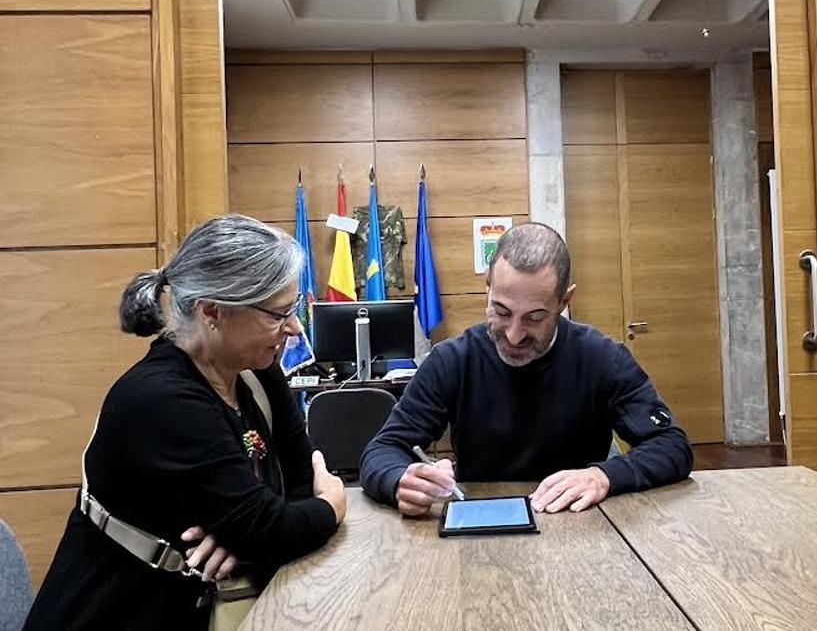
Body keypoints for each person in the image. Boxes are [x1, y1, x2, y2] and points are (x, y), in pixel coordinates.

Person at [26, 215, 347, 630]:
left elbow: (295, 484)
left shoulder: (257, 368)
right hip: (117, 616)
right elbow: (272, 524)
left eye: (294, 308)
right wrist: (331, 506)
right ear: (213, 311)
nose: (293, 327)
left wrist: (248, 534)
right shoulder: (160, 399)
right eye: (277, 313)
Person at [360, 222, 692, 515]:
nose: (514, 335)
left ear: (564, 301)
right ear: (487, 284)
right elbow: (382, 450)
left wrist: (604, 476)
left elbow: (672, 445)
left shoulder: (602, 357)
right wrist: (399, 481)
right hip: (479, 524)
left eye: (534, 318)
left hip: (581, 524)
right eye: (501, 312)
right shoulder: (452, 360)